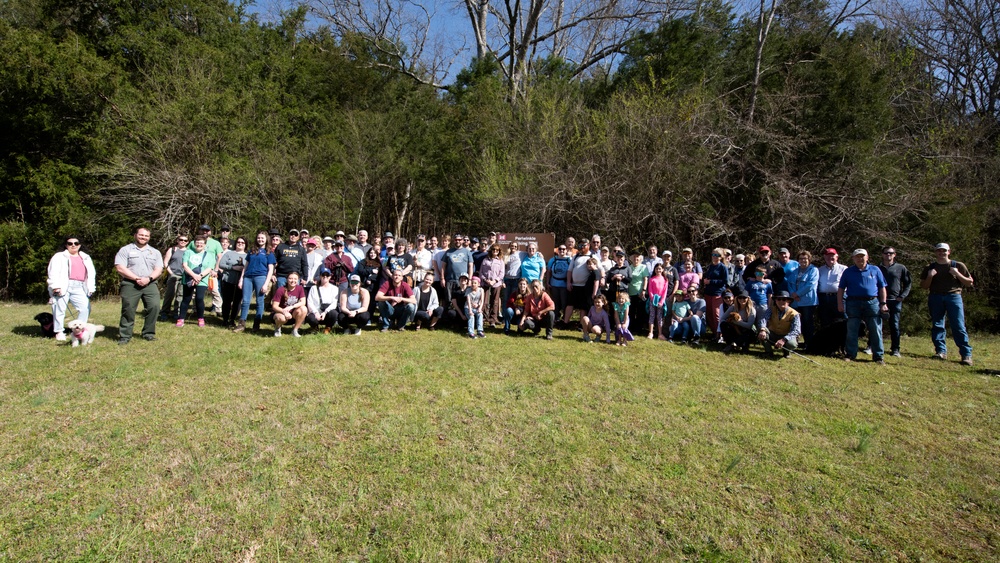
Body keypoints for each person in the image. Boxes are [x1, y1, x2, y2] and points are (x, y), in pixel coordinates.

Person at [921, 243, 974, 365]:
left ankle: (966, 354)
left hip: (954, 297)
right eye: (938, 251)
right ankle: (940, 352)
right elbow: (924, 286)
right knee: (937, 324)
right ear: (935, 252)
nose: (941, 253)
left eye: (944, 251)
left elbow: (969, 283)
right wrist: (930, 276)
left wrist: (957, 274)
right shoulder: (930, 267)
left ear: (949, 252)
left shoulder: (958, 265)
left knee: (958, 326)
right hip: (935, 296)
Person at [114, 227, 164, 344]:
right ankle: (125, 336)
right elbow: (120, 267)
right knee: (128, 309)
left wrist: (149, 278)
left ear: (149, 237)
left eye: (146, 236)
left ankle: (148, 333)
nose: (143, 237)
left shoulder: (155, 252)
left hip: (150, 283)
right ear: (135, 235)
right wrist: (136, 278)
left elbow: (159, 268)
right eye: (141, 235)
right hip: (130, 284)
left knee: (154, 307)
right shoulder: (125, 250)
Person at [838, 249, 888, 364]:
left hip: (872, 303)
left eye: (862, 256)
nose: (860, 259)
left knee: (875, 329)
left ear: (867, 257)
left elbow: (882, 288)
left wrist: (883, 303)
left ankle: (878, 356)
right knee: (852, 329)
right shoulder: (848, 271)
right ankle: (850, 354)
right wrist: (840, 303)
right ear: (853, 258)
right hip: (853, 303)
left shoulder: (875, 270)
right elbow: (841, 289)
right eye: (857, 257)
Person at [47, 236, 96, 341]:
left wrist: (91, 287)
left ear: (80, 245)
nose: (73, 245)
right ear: (66, 245)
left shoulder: (86, 257)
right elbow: (53, 272)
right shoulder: (59, 256)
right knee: (59, 309)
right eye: (70, 243)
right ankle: (59, 332)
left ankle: (79, 330)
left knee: (85, 308)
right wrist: (55, 286)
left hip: (80, 286)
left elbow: (92, 273)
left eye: (76, 243)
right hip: (63, 285)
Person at [235, 231, 275, 333]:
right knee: (245, 301)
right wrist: (241, 279)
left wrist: (266, 284)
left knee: (259, 301)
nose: (260, 240)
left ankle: (256, 324)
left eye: (262, 238)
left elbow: (270, 269)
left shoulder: (269, 252)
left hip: (260, 277)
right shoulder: (252, 251)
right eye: (258, 238)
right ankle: (241, 324)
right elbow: (246, 266)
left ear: (266, 239)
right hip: (248, 277)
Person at [177, 235, 217, 328]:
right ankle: (181, 318)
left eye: (201, 243)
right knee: (186, 298)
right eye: (197, 243)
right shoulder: (188, 252)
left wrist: (200, 276)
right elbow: (185, 265)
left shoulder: (210, 255)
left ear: (205, 244)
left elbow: (210, 267)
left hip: (202, 280)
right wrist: (193, 276)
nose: (199, 245)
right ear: (194, 243)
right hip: (188, 278)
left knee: (199, 298)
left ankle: (200, 318)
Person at [878, 246, 912, 358]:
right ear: (882, 254)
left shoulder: (901, 268)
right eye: (886, 253)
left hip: (895, 300)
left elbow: (908, 283)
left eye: (891, 253)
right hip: (879, 300)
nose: (888, 255)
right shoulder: (877, 268)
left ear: (894, 254)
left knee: (895, 325)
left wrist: (902, 296)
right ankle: (872, 346)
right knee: (876, 325)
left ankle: (895, 349)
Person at [188, 225, 224, 314]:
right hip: (196, 271)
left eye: (207, 230)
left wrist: (215, 270)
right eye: (203, 230)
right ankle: (195, 309)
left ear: (210, 232)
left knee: (214, 290)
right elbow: (189, 255)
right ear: (199, 230)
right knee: (194, 292)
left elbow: (219, 257)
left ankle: (218, 308)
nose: (205, 232)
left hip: (211, 271)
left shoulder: (215, 243)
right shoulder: (193, 242)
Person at [787, 250, 818, 351]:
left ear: (809, 259)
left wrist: (797, 293)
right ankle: (795, 343)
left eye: (805, 258)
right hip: (796, 302)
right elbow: (789, 284)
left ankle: (809, 344)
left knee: (807, 323)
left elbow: (811, 285)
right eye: (801, 258)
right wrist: (792, 294)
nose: (803, 260)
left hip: (808, 302)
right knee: (796, 323)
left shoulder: (813, 270)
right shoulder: (795, 271)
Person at [756, 290, 801, 358]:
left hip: (786, 336)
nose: (781, 301)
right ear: (776, 301)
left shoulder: (794, 314)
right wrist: (762, 330)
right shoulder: (771, 309)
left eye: (784, 299)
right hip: (773, 334)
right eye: (779, 299)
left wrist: (784, 339)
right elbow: (763, 319)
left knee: (791, 344)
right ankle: (768, 352)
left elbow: (796, 330)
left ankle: (786, 352)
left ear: (788, 301)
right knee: (761, 334)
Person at [216, 235, 247, 328]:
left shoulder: (248, 255)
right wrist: (233, 267)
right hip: (228, 280)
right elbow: (221, 264)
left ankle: (232, 319)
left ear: (245, 244)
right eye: (238, 242)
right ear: (235, 244)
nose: (240, 244)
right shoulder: (229, 254)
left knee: (237, 302)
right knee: (227, 301)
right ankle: (225, 319)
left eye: (242, 242)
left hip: (241, 282)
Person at [816, 247, 847, 333]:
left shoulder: (844, 269)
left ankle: (843, 343)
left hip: (839, 298)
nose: (830, 258)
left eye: (832, 256)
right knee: (825, 322)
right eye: (828, 256)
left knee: (842, 321)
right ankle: (828, 344)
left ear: (837, 257)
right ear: (824, 257)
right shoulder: (820, 270)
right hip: (823, 298)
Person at [159, 234, 188, 321]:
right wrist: (171, 273)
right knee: (170, 294)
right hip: (173, 274)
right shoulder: (172, 250)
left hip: (184, 276)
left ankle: (177, 313)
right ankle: (164, 312)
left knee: (180, 295)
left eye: (185, 240)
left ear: (187, 242)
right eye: (181, 239)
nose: (183, 241)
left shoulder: (189, 251)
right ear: (177, 240)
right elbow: (166, 262)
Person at [702, 248, 729, 339]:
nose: (714, 257)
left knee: (716, 314)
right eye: (713, 254)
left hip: (718, 293)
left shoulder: (723, 267)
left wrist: (711, 282)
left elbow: (725, 281)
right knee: (709, 314)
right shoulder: (710, 266)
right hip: (708, 293)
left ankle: (720, 334)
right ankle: (714, 333)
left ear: (721, 257)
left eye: (716, 255)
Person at [441, 233, 474, 304]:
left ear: (462, 241)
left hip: (463, 281)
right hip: (450, 280)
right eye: (456, 240)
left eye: (459, 240)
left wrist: (470, 279)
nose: (458, 241)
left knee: (461, 301)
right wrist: (442, 278)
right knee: (449, 301)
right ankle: (448, 314)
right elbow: (443, 266)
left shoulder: (467, 252)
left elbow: (470, 266)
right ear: (453, 241)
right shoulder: (448, 252)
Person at [272, 271, 307, 337]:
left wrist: (292, 307)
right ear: (287, 279)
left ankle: (295, 330)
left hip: (293, 314)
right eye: (290, 278)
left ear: (298, 280)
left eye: (295, 279)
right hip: (280, 313)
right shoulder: (281, 290)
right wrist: (284, 312)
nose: (293, 281)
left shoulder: (300, 288)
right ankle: (277, 328)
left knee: (304, 309)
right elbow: (274, 306)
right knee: (281, 318)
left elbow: (303, 302)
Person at [306, 268, 340, 333]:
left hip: (327, 312)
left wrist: (325, 312)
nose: (325, 277)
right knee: (310, 318)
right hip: (317, 312)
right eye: (323, 275)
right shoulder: (313, 288)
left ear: (330, 277)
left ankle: (328, 327)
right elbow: (309, 302)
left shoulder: (335, 288)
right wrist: (315, 312)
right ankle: (315, 327)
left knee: (334, 313)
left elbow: (334, 303)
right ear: (320, 276)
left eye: (327, 275)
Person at [478, 245, 505, 328]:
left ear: (499, 251)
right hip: (485, 283)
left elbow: (502, 273)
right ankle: (483, 318)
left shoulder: (500, 261)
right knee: (484, 301)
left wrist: (494, 281)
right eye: (493, 249)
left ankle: (492, 320)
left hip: (496, 283)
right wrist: (486, 280)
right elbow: (481, 272)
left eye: (497, 250)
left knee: (495, 302)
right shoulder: (485, 260)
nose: (495, 251)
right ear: (491, 250)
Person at [546, 243, 572, 324]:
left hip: (564, 284)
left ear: (566, 250)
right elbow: (548, 272)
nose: (562, 251)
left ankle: (565, 319)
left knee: (564, 303)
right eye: (560, 249)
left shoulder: (570, 260)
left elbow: (571, 272)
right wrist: (547, 282)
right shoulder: (553, 260)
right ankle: (555, 318)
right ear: (557, 250)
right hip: (554, 283)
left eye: (564, 249)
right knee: (555, 302)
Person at [627, 251, 650, 334]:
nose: (636, 259)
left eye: (637, 257)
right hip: (631, 292)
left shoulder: (643, 267)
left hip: (640, 293)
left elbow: (645, 279)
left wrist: (644, 290)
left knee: (640, 312)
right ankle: (631, 328)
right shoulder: (629, 267)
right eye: (634, 257)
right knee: (631, 311)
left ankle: (639, 329)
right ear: (632, 259)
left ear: (640, 259)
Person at [646, 263, 670, 340]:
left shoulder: (665, 280)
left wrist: (661, 301)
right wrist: (653, 299)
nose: (658, 270)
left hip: (661, 300)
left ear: (662, 269)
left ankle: (660, 333)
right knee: (652, 316)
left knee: (659, 317)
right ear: (654, 270)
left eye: (660, 268)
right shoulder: (652, 279)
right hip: (652, 299)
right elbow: (650, 290)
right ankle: (651, 332)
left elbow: (665, 291)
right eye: (657, 269)